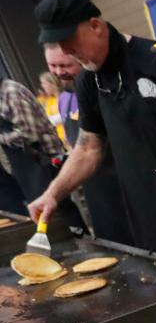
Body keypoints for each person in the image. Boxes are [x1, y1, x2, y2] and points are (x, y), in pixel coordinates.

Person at [28, 0, 156, 269]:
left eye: (70, 41)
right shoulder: (89, 81)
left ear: (95, 26)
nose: (67, 52)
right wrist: (53, 193)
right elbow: (88, 148)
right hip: (146, 220)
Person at [44, 42, 135, 244]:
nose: (59, 72)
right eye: (53, 66)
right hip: (97, 193)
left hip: (125, 190)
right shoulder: (65, 98)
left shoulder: (107, 90)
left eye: (64, 65)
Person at [0, 76, 85, 229]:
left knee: (60, 211)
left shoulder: (10, 93)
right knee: (42, 214)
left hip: (43, 161)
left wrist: (1, 138)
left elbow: (29, 134)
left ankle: (81, 240)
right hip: (25, 167)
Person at [36, 71, 66, 143]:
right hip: (59, 140)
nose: (42, 86)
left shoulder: (65, 97)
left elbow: (69, 115)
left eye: (44, 83)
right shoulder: (49, 101)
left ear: (53, 83)